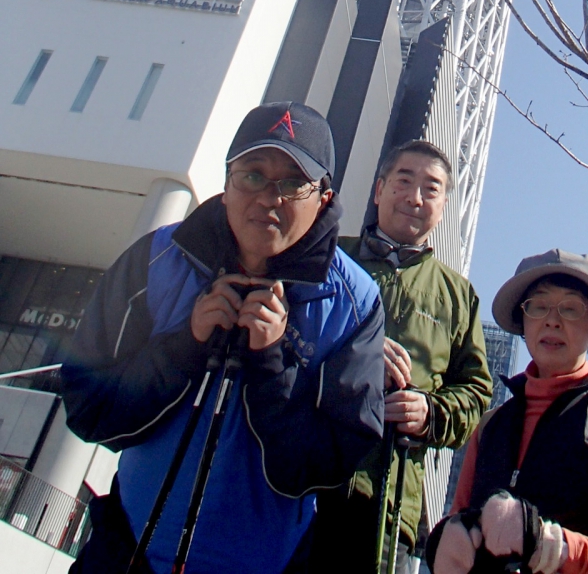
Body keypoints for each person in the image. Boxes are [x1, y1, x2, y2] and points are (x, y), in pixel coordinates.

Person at [62, 100, 384, 574]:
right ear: (227, 182)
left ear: (324, 199)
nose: (269, 198)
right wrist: (185, 346)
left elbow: (333, 462)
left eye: (293, 183)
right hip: (125, 550)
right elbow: (88, 406)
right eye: (253, 175)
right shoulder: (158, 258)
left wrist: (272, 365)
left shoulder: (354, 302)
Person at [429, 249, 588, 574]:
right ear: (523, 321)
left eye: (571, 308)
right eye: (538, 306)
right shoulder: (489, 427)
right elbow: (457, 533)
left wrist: (550, 546)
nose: (552, 320)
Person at [316, 139, 492, 572]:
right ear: (379, 190)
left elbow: (476, 393)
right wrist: (353, 356)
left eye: (431, 189)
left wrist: (430, 412)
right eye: (404, 181)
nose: (415, 198)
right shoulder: (328, 259)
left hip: (390, 506)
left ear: (443, 207)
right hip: (305, 480)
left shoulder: (458, 297)